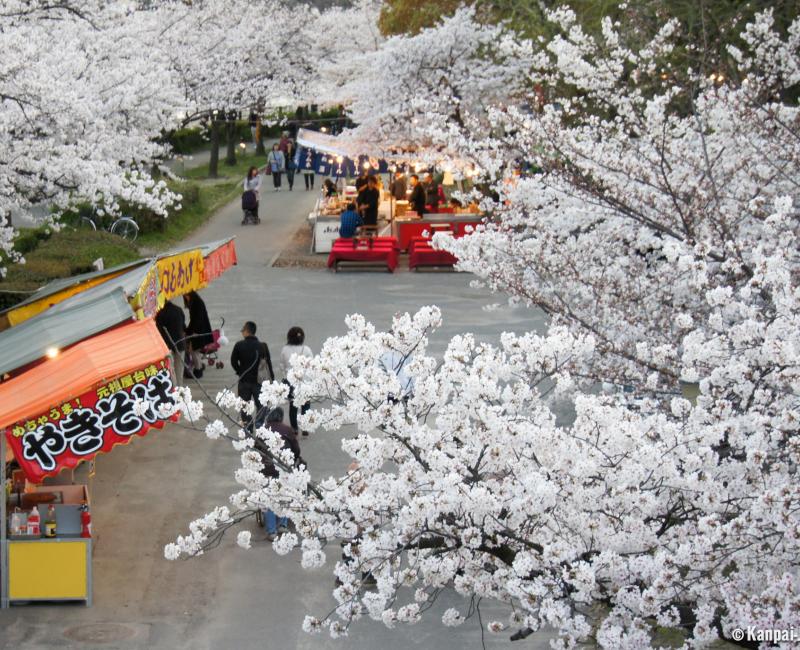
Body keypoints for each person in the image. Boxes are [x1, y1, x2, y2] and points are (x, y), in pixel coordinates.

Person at [256, 407, 304, 541]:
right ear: (281, 417)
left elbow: (255, 449)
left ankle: (271, 531)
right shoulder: (287, 430)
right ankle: (282, 524)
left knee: (270, 498)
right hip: (284, 468)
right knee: (284, 495)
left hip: (267, 469)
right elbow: (296, 451)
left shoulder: (262, 431)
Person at [281, 326, 313, 435]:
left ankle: (294, 428)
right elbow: (311, 366)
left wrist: (286, 373)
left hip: (291, 381)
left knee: (293, 406)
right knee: (306, 406)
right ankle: (305, 427)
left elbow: (282, 365)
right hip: (305, 382)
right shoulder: (307, 350)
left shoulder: (285, 349)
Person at [231, 321, 264, 427]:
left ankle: (248, 429)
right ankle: (260, 430)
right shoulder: (261, 346)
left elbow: (233, 361)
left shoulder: (239, 345)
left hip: (244, 380)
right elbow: (266, 364)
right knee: (261, 406)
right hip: (258, 381)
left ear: (246, 331)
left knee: (244, 406)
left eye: (243, 330)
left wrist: (240, 371)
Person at [183, 291, 213, 379]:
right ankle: (198, 368)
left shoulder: (197, 304)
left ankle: (198, 370)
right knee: (194, 351)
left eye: (186, 296)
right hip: (198, 331)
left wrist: (189, 331)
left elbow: (196, 320)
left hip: (198, 332)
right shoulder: (197, 302)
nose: (185, 298)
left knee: (193, 350)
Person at [155, 301, 185, 386]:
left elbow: (159, 331)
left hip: (168, 346)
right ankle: (180, 389)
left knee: (171, 370)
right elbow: (183, 325)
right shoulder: (178, 309)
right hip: (180, 344)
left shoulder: (161, 313)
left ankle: (174, 389)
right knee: (179, 370)